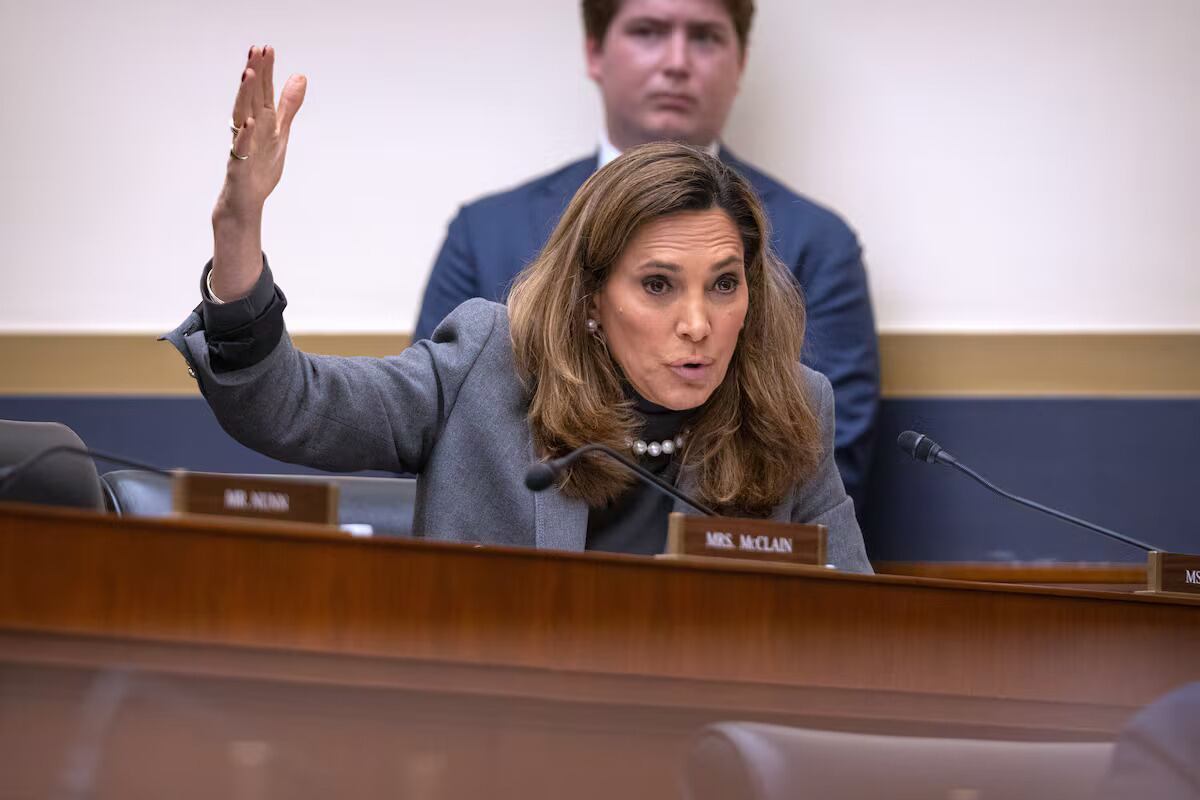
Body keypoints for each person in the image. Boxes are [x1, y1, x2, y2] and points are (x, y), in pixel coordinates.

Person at [164, 46, 872, 573]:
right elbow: (287, 405)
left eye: (724, 284)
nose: (698, 323)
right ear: (591, 297)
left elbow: (852, 633)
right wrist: (238, 232)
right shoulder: (488, 366)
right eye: (657, 285)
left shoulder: (789, 411)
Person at [415, 0, 880, 510]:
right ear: (595, 53)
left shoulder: (818, 240)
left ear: (740, 63)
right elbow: (441, 423)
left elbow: (819, 456)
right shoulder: (484, 231)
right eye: (648, 31)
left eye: (704, 37)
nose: (677, 61)